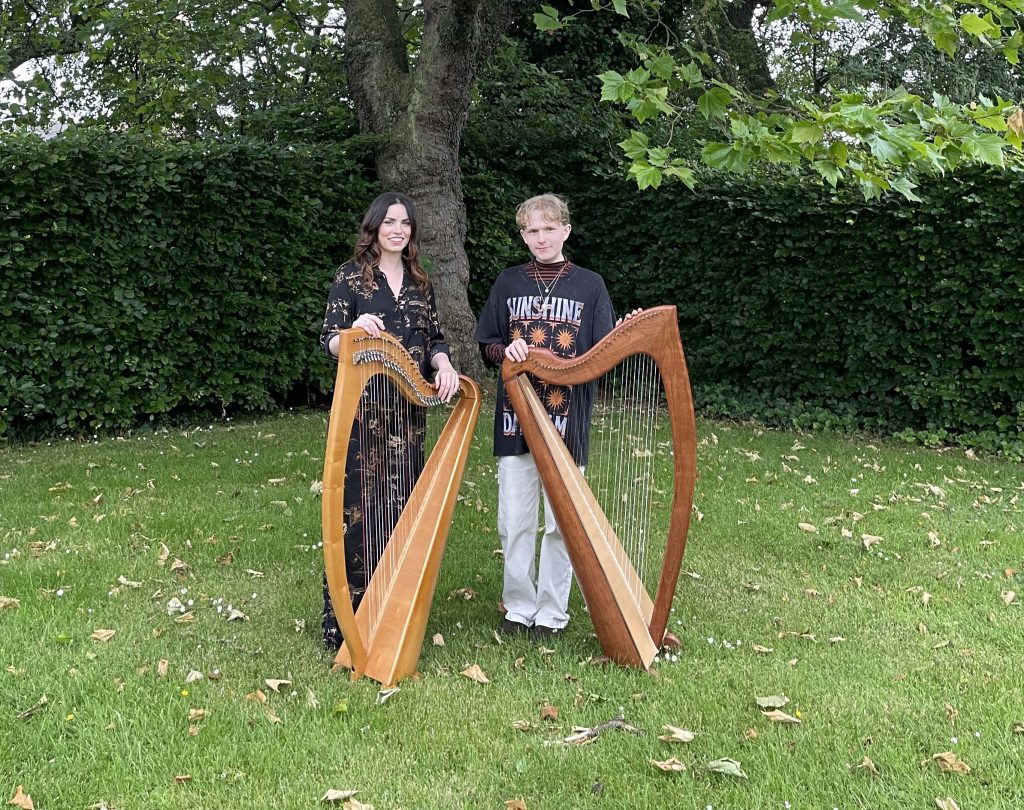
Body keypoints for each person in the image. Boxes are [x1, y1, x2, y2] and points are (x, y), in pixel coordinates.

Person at [475, 193, 632, 641]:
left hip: (568, 419)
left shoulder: (590, 285)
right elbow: (487, 344)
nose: (541, 237)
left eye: (549, 228)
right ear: (523, 235)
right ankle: (518, 606)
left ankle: (551, 613)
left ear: (566, 230)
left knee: (563, 524)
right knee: (514, 521)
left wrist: (627, 332)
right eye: (532, 230)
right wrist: (506, 351)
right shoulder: (508, 281)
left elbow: (605, 351)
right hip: (516, 418)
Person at [319, 191, 460, 651]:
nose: (397, 230)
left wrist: (443, 364)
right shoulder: (350, 277)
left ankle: (389, 609)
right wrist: (353, 331)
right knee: (357, 510)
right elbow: (330, 341)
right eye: (389, 222)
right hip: (361, 413)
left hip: (409, 415)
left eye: (405, 223)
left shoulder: (421, 282)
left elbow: (434, 338)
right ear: (375, 226)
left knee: (400, 508)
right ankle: (345, 620)